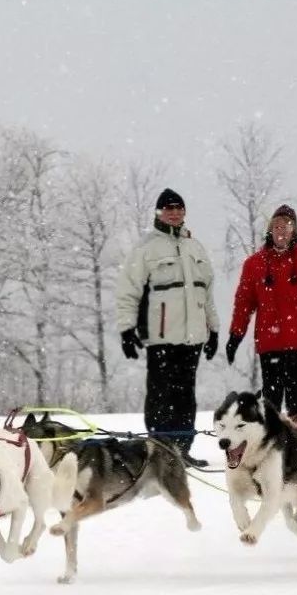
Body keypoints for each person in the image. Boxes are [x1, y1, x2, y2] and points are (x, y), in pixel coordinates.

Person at [115, 188, 220, 465]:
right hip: (161, 337)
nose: (174, 212)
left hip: (193, 338)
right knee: (161, 394)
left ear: (184, 212)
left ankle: (182, 450)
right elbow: (129, 291)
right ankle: (159, 451)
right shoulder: (147, 248)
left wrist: (214, 329)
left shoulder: (195, 248)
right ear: (159, 213)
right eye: (168, 208)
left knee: (186, 395)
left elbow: (206, 292)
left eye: (178, 208)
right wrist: (127, 329)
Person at [226, 204, 297, 417]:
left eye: (287, 226)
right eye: (277, 226)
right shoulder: (254, 264)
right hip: (270, 346)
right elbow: (243, 304)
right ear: (270, 230)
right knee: (271, 408)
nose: (281, 230)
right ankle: (272, 447)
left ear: (294, 230)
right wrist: (235, 335)